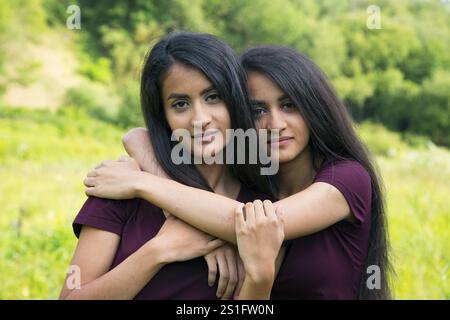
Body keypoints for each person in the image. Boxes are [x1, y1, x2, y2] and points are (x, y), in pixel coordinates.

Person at [85, 45, 392, 299]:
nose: (275, 124)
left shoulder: (347, 179)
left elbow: (252, 225)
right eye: (258, 110)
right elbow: (139, 134)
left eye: (289, 106)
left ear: (315, 106)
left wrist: (144, 182)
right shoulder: (258, 184)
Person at [60, 32, 284, 300]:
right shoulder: (123, 188)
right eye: (180, 104)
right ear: (163, 116)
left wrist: (260, 275)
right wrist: (159, 251)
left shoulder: (261, 206)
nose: (200, 119)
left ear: (234, 99)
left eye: (213, 97)